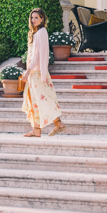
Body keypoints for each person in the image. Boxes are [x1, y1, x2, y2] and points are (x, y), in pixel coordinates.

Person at [21, 8, 66, 138]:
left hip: (36, 73)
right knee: (34, 100)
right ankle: (36, 129)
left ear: (42, 19)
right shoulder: (37, 33)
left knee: (42, 99)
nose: (33, 20)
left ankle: (58, 123)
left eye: (36, 17)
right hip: (35, 73)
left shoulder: (41, 32)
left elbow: (37, 55)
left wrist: (27, 71)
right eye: (32, 18)